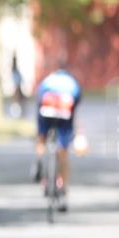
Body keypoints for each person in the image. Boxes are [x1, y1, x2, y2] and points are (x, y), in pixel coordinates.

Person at [31, 59, 82, 211]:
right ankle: (64, 190)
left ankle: (38, 160)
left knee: (41, 136)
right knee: (63, 151)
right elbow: (75, 106)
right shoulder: (73, 83)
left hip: (46, 110)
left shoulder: (48, 80)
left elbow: (39, 99)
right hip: (65, 112)